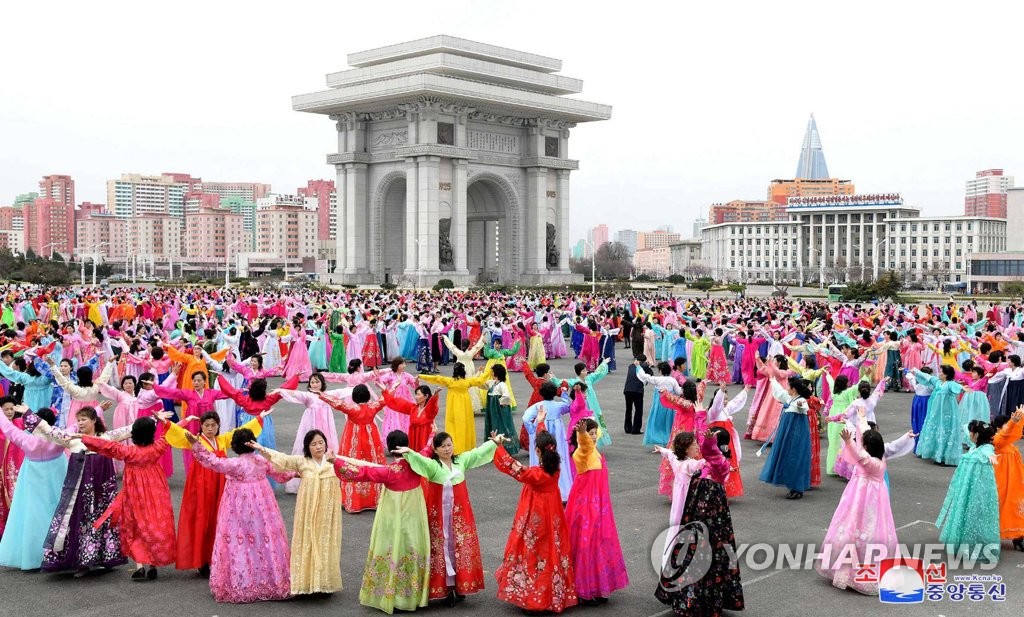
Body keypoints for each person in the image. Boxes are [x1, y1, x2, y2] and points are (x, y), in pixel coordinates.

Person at [185, 428, 293, 603]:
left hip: (238, 507)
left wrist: (196, 444)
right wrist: (299, 470)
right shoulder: (262, 461)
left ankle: (242, 582)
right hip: (263, 506)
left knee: (239, 540)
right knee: (264, 538)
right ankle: (270, 580)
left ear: (235, 446)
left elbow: (212, 461)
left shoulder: (235, 464)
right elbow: (282, 474)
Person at [334, 430, 430, 614]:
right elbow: (427, 449)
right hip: (415, 514)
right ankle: (412, 595)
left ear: (389, 448)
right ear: (407, 444)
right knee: (413, 545)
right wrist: (433, 435)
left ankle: (389, 594)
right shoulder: (418, 463)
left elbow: (362, 472)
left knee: (392, 546)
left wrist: (335, 461)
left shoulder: (388, 471)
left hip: (393, 514)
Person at [400, 431, 499, 606]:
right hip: (439, 519)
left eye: (449, 445)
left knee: (460, 547)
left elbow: (477, 453)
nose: (447, 449)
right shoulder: (433, 466)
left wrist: (494, 443)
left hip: (460, 517)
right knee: (440, 549)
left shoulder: (460, 461)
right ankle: (445, 589)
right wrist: (409, 452)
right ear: (435, 450)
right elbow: (420, 461)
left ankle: (461, 586)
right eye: (443, 446)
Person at [164, 407, 267, 577]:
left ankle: (219, 556)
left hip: (221, 483)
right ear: (201, 426)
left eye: (213, 425)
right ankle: (202, 560)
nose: (210, 428)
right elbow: (177, 432)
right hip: (201, 485)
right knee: (202, 519)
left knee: (221, 518)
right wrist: (165, 423)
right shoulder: (195, 440)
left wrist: (259, 419)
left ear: (218, 426)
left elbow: (240, 431)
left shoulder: (222, 439)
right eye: (206, 425)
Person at [34, 405, 128, 576]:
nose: (80, 423)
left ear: (94, 420)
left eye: (84, 419)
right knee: (79, 522)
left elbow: (130, 429)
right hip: (79, 493)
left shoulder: (106, 438)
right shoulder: (73, 440)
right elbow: (49, 430)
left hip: (103, 493)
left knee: (103, 521)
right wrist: (27, 412)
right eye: (78, 420)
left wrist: (158, 420)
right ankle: (81, 562)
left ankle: (101, 558)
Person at [80, 415, 177, 581]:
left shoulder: (129, 452)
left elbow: (107, 446)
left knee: (134, 525)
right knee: (153, 523)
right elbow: (169, 433)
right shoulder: (157, 448)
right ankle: (153, 563)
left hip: (135, 493)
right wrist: (165, 421)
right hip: (156, 492)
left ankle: (140, 565)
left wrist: (84, 438)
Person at [491, 429, 578, 614]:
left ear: (538, 451)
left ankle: (535, 600)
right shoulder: (554, 467)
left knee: (534, 552)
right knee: (551, 550)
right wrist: (540, 423)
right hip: (553, 513)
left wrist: (498, 447)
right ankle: (551, 595)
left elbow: (514, 468)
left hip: (536, 515)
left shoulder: (536, 474)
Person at [252, 430, 343, 596]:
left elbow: (358, 467)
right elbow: (283, 459)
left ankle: (324, 583)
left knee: (326, 542)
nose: (318, 447)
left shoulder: (333, 462)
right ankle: (306, 583)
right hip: (307, 512)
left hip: (327, 513)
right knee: (307, 540)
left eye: (321, 442)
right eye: (314, 444)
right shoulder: (302, 462)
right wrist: (262, 448)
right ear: (308, 447)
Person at [815, 423, 900, 594]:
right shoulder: (880, 458)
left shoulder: (872, 463)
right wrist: (860, 422)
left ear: (868, 447)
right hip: (865, 497)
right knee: (862, 528)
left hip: (864, 500)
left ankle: (855, 573)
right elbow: (862, 449)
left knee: (859, 528)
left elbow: (859, 455)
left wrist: (848, 442)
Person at [565, 418, 629, 605]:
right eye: (590, 434)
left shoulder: (597, 453)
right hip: (585, 507)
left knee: (600, 543)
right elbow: (585, 446)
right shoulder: (581, 452)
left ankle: (599, 587)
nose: (593, 437)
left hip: (600, 507)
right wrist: (583, 434)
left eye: (594, 434)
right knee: (587, 545)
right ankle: (584, 591)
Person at [0, 407, 67, 570]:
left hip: (32, 478)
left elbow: (7, 428)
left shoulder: (25, 439)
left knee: (32, 513)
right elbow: (77, 428)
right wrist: (98, 409)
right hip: (58, 473)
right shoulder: (59, 436)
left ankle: (34, 556)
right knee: (62, 510)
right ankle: (63, 552)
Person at [935, 420, 1000, 564]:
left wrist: (992, 457)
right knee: (964, 512)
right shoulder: (974, 447)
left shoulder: (985, 449)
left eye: (972, 432)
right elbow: (965, 427)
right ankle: (962, 545)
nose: (969, 434)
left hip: (978, 491)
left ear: (976, 434)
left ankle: (977, 548)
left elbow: (989, 453)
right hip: (966, 488)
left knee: (975, 516)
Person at [319, 384, 386, 512]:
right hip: (371, 439)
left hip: (353, 440)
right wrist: (389, 389)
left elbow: (337, 403)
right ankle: (373, 499)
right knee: (371, 464)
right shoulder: (373, 407)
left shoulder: (352, 409)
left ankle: (353, 500)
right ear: (367, 397)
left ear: (354, 397)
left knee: (351, 465)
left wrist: (322, 395)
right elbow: (383, 400)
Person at [418, 363, 492, 455]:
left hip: (453, 407)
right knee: (465, 424)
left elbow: (436, 378)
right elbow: (480, 380)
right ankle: (466, 447)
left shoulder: (450, 381)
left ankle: (454, 447)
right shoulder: (467, 382)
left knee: (453, 425)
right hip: (465, 407)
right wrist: (489, 371)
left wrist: (421, 376)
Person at [758, 376, 812, 499]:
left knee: (795, 457)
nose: (787, 388)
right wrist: (772, 380)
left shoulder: (801, 400)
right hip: (787, 432)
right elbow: (779, 392)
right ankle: (792, 486)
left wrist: (799, 406)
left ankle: (797, 488)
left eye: (789, 386)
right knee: (788, 456)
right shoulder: (790, 398)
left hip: (796, 433)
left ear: (793, 389)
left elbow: (804, 407)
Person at [522, 383, 574, 502]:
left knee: (541, 455)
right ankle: (563, 490)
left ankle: (540, 483)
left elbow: (525, 418)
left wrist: (532, 429)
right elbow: (568, 406)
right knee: (558, 454)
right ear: (555, 392)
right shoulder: (559, 405)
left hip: (542, 430)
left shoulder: (537, 406)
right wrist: (565, 393)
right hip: (557, 432)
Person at [913, 366, 966, 465]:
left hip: (947, 413)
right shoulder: (938, 382)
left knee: (945, 430)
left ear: (946, 374)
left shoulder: (950, 384)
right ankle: (936, 454)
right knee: (936, 429)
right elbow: (927, 377)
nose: (939, 373)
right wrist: (916, 371)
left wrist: (962, 388)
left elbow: (957, 387)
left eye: (941, 372)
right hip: (936, 412)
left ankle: (945, 457)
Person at [991, 410, 1024, 550]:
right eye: (1006, 424)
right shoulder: (996, 440)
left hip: (1015, 481)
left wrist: (1019, 419)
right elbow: (1007, 434)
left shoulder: (1008, 442)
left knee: (1016, 507)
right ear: (999, 427)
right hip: (1002, 481)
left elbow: (1013, 432)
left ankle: (1019, 537)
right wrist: (1013, 422)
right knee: (1001, 506)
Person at [381, 384, 439, 452]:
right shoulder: (413, 408)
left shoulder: (429, 411)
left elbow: (433, 406)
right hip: (413, 438)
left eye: (418, 394)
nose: (416, 397)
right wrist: (385, 391)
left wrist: (435, 396)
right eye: (416, 394)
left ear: (426, 396)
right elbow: (396, 403)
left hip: (425, 437)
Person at [483, 365, 518, 453]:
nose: (491, 373)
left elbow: (506, 395)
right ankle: (493, 448)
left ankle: (505, 448)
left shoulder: (502, 385)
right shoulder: (492, 383)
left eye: (493, 371)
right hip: (492, 409)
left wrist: (501, 403)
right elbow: (482, 384)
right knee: (492, 425)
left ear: (496, 373)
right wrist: (480, 373)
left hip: (499, 409)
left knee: (501, 425)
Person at [623, 354, 653, 434]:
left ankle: (627, 428)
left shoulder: (630, 366)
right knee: (638, 410)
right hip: (637, 390)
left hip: (627, 389)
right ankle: (636, 429)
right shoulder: (644, 366)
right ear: (644, 361)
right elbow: (651, 375)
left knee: (628, 409)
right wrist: (648, 366)